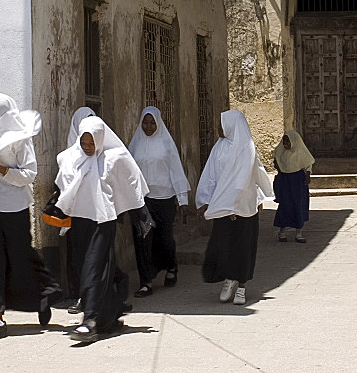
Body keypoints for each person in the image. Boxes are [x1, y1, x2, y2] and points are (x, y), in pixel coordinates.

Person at [0, 93, 62, 343]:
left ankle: (42, 297)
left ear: (4, 113)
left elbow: (29, 173)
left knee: (21, 257)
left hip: (15, 206)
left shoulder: (20, 138)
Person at [55, 116, 149, 343]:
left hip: (102, 222)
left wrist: (142, 215)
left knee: (93, 270)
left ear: (99, 139)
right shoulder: (71, 158)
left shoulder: (113, 158)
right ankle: (110, 316)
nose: (87, 148)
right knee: (84, 267)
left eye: (91, 143)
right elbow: (63, 183)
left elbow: (132, 182)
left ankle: (91, 321)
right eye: (84, 143)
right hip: (79, 221)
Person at [196, 110, 273, 306]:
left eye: (222, 125)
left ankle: (242, 287)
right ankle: (229, 279)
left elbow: (248, 178)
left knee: (243, 248)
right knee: (222, 246)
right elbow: (211, 175)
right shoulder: (219, 148)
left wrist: (237, 205)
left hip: (244, 207)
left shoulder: (246, 148)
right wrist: (205, 200)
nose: (218, 129)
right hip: (223, 206)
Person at [128, 106, 191, 297]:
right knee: (143, 239)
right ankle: (146, 282)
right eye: (145, 122)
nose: (148, 126)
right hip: (142, 200)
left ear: (159, 123)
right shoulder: (136, 144)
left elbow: (176, 170)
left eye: (152, 122)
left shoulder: (166, 143)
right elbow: (129, 170)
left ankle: (171, 266)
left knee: (164, 239)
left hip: (164, 198)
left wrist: (182, 199)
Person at [64, 107, 94, 313]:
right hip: (76, 214)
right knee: (78, 256)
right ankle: (80, 295)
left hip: (98, 214)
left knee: (95, 255)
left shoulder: (104, 153)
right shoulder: (68, 157)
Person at [273, 130, 314, 243]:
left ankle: (298, 233)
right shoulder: (280, 151)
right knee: (285, 205)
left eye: (288, 141)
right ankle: (282, 232)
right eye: (284, 141)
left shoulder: (300, 151)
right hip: (285, 180)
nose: (285, 143)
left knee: (298, 205)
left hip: (297, 181)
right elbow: (276, 161)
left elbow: (308, 164)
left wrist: (308, 175)